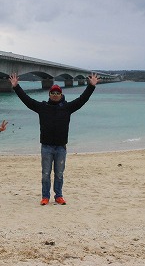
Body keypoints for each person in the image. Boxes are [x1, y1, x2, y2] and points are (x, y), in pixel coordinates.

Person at [9, 72, 100, 205]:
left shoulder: (67, 108)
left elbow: (82, 99)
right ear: (49, 95)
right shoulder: (42, 107)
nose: (55, 95)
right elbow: (27, 100)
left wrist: (91, 86)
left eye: (58, 93)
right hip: (46, 147)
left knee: (59, 174)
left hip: (61, 147)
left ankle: (59, 196)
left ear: (61, 95)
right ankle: (45, 197)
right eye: (53, 93)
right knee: (46, 173)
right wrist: (16, 87)